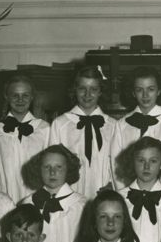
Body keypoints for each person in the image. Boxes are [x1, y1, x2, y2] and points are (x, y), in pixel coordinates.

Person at [109, 67, 161, 194]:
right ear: (133, 92)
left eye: (151, 89)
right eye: (139, 90)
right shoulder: (122, 125)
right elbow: (117, 164)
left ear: (159, 91)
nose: (145, 95)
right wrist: (124, 193)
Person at [49, 66, 118, 198]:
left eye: (93, 89)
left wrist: (111, 186)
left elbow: (117, 164)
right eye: (82, 89)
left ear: (100, 92)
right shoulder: (60, 124)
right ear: (75, 90)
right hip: (70, 195)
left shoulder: (113, 126)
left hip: (103, 195)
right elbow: (54, 162)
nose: (87, 94)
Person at [19, 145, 87, 242]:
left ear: (68, 170)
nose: (52, 172)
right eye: (47, 167)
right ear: (39, 170)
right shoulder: (28, 204)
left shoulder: (82, 206)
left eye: (58, 167)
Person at [0, 75, 51, 202]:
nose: (20, 100)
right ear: (7, 97)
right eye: (15, 95)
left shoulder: (44, 129)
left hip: (38, 199)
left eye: (25, 95)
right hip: (6, 199)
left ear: (32, 97)